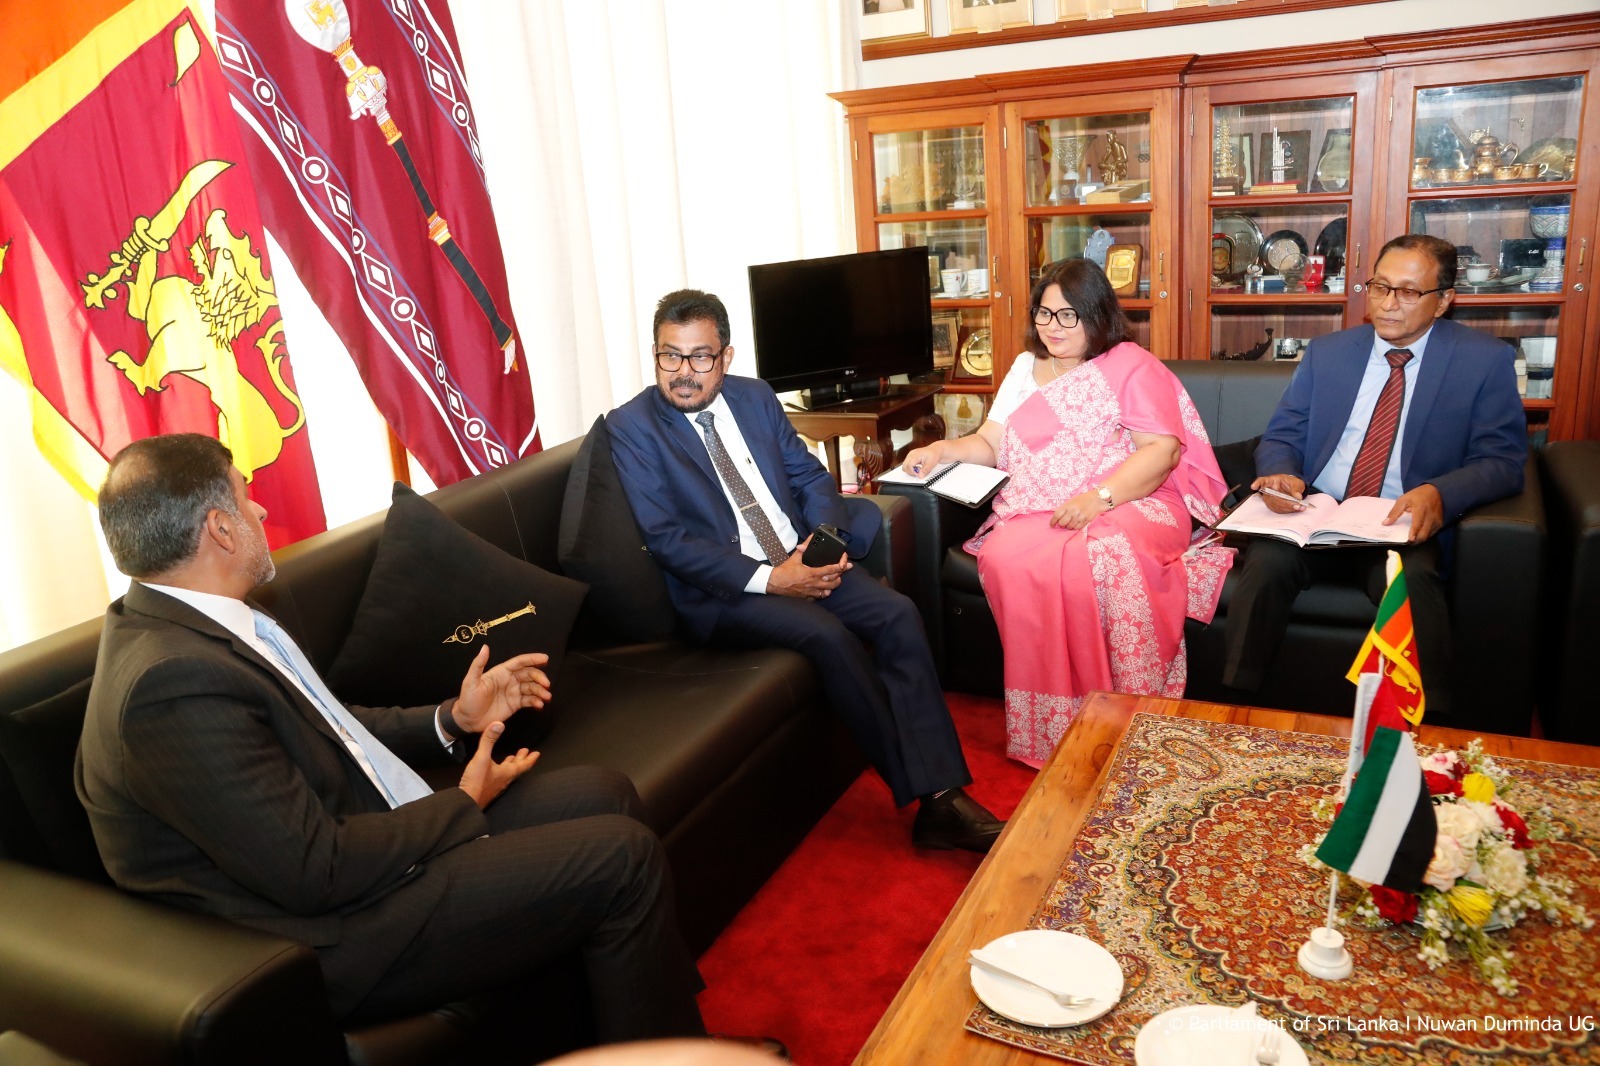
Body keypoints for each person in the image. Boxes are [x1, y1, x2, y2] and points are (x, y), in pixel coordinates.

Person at [76, 433, 706, 1043]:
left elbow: (330, 726)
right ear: (220, 528)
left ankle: (644, 1031)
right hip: (335, 934)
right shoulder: (171, 686)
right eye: (246, 496)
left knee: (606, 792)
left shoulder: (207, 622)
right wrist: (464, 802)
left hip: (365, 847)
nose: (260, 510)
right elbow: (315, 872)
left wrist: (454, 719)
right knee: (621, 858)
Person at [606, 289, 1003, 853]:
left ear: (726, 357)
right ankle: (933, 799)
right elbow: (668, 539)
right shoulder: (632, 427)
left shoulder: (754, 397)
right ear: (655, 354)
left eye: (700, 357)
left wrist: (822, 540)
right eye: (670, 355)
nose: (684, 372)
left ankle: (941, 796)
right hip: (727, 591)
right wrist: (774, 580)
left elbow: (810, 477)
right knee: (828, 636)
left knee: (897, 614)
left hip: (800, 556)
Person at [902, 259, 1233, 766]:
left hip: (1134, 500)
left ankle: (1126, 713)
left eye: (1067, 316)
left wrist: (1096, 499)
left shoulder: (1130, 366)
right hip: (1038, 505)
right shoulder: (1022, 368)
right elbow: (990, 442)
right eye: (1043, 313)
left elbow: (1162, 451)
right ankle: (1054, 728)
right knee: (1007, 557)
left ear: (1097, 315)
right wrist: (942, 449)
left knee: (1098, 553)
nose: (1052, 327)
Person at [1220, 233, 1527, 715]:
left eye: (1408, 291)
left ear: (1443, 300)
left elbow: (1503, 460)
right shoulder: (1330, 353)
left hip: (1397, 521)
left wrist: (1439, 493)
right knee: (1266, 564)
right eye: (1380, 287)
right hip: (1317, 511)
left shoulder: (1483, 361)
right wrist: (1281, 474)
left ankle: (1430, 725)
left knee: (1410, 585)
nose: (1387, 303)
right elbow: (1282, 434)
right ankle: (1234, 707)